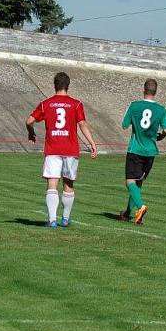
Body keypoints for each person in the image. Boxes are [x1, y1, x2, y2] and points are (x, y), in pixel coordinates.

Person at [26, 72, 98, 228]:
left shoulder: (46, 103)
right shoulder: (76, 104)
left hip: (53, 149)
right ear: (68, 86)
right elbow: (82, 124)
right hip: (70, 149)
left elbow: (29, 121)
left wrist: (31, 132)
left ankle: (52, 220)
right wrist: (92, 143)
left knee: (52, 183)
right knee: (68, 184)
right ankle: (65, 219)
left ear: (54, 85)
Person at [119, 78, 166, 225]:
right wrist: (159, 136)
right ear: (155, 92)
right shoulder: (161, 109)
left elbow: (124, 124)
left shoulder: (135, 105)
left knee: (130, 182)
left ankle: (141, 206)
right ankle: (128, 213)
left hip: (136, 149)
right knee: (138, 183)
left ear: (144, 90)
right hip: (150, 151)